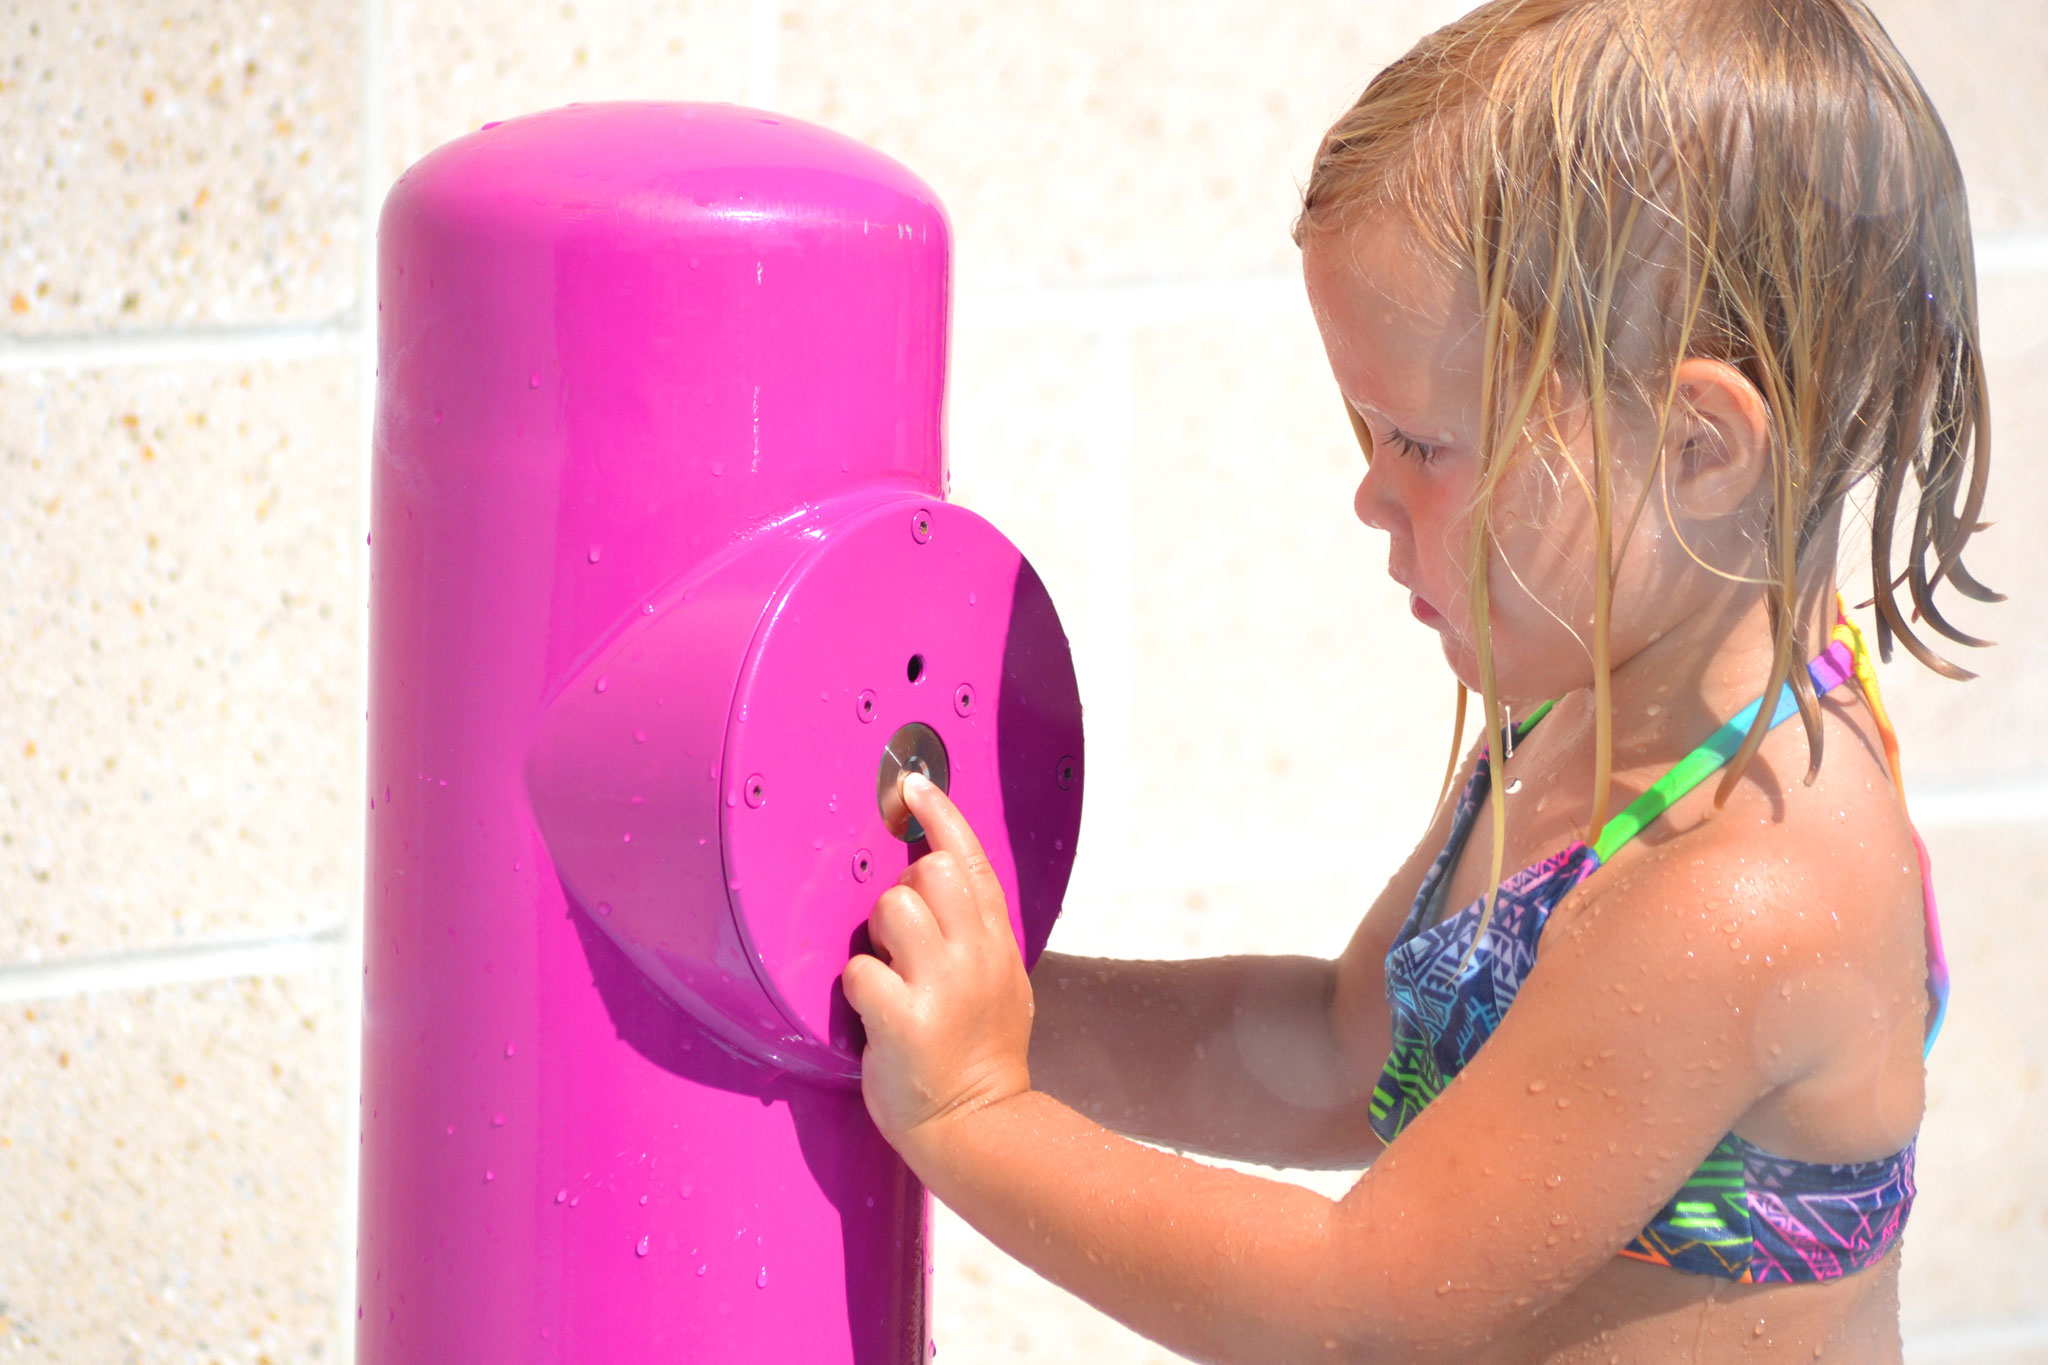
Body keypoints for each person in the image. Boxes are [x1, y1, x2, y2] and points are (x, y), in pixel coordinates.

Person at [838, 0, 1996, 1357]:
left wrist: (977, 1114)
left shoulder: (1744, 886)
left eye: (1422, 442)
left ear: (1696, 446)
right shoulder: (1583, 716)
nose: (1370, 496)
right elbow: (1337, 1052)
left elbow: (1359, 1308)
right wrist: (989, 1002)